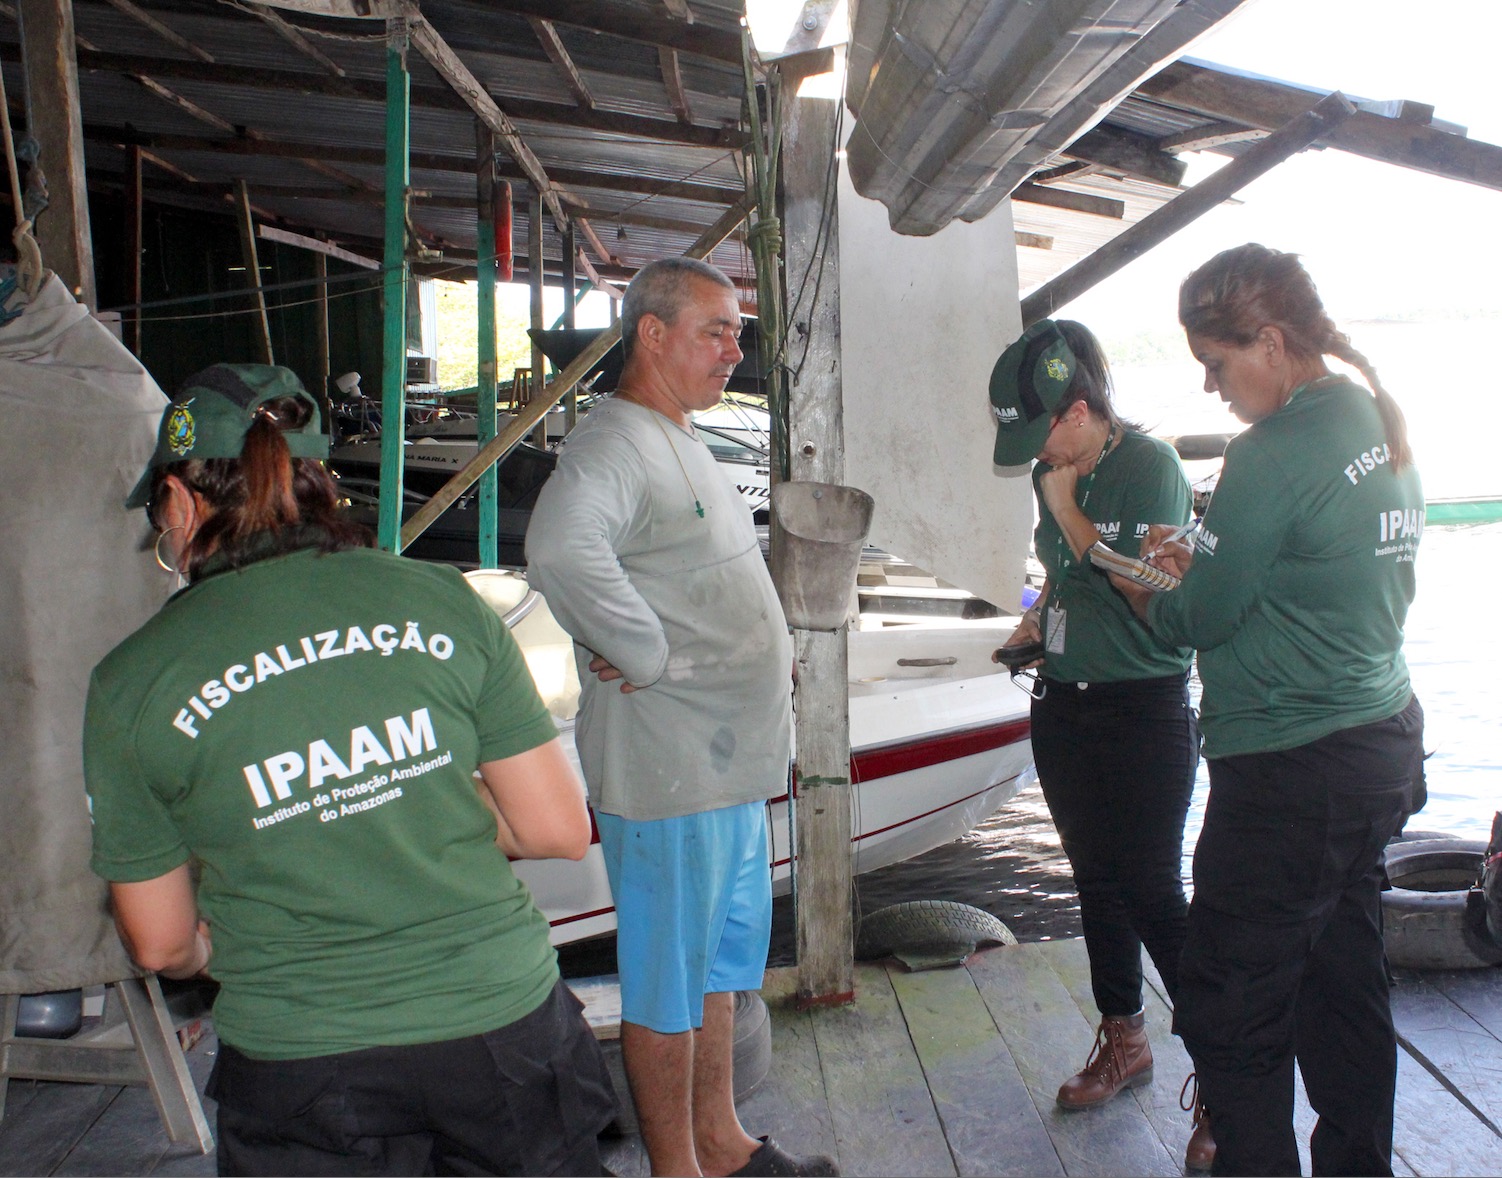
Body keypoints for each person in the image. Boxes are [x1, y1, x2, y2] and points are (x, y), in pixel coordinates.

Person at [85, 363, 617, 1177]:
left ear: (183, 503)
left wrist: (228, 898)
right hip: (502, 1035)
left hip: (303, 1069)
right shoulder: (441, 603)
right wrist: (417, 792)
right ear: (317, 478)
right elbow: (556, 828)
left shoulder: (132, 681)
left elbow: (159, 945)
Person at [1112, 244, 1426, 1177]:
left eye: (1217, 363)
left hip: (1295, 770)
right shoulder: (1373, 417)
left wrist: (1140, 585)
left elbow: (1195, 620)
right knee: (1343, 982)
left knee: (1227, 1004)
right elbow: (1318, 570)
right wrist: (1205, 559)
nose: (1210, 388)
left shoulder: (1270, 450)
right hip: (1380, 744)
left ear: (1273, 341)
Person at [525, 258, 835, 1178]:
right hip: (669, 773)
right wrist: (648, 651)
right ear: (651, 334)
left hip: (725, 770)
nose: (735, 350)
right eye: (717, 330)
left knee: (724, 966)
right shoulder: (615, 440)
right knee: (668, 982)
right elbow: (559, 548)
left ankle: (724, 1143)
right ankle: (679, 1170)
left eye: (738, 332)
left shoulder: (679, 435)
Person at [989, 321, 1204, 1155]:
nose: (1034, 452)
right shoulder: (1055, 468)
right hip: (1066, 705)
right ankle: (1126, 1039)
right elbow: (1065, 575)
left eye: (1039, 431)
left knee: (1152, 885)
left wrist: (1069, 509)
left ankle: (1225, 1074)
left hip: (1143, 708)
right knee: (1095, 881)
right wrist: (1036, 622)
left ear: (1078, 410)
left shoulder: (1149, 468)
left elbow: (1149, 584)